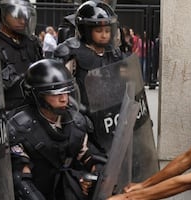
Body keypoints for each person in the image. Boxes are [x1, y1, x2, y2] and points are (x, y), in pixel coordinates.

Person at [55, 0, 158, 186]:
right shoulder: (71, 52)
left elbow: (127, 84)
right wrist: (79, 113)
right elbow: (61, 89)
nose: (104, 35)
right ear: (86, 30)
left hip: (112, 121)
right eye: (98, 30)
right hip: (86, 121)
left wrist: (138, 112)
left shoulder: (114, 53)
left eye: (107, 30)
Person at [7, 59, 107, 200]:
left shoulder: (76, 122)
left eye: (66, 92)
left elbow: (92, 158)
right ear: (38, 95)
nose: (64, 99)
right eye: (55, 93)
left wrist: (92, 178)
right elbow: (21, 181)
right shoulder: (19, 129)